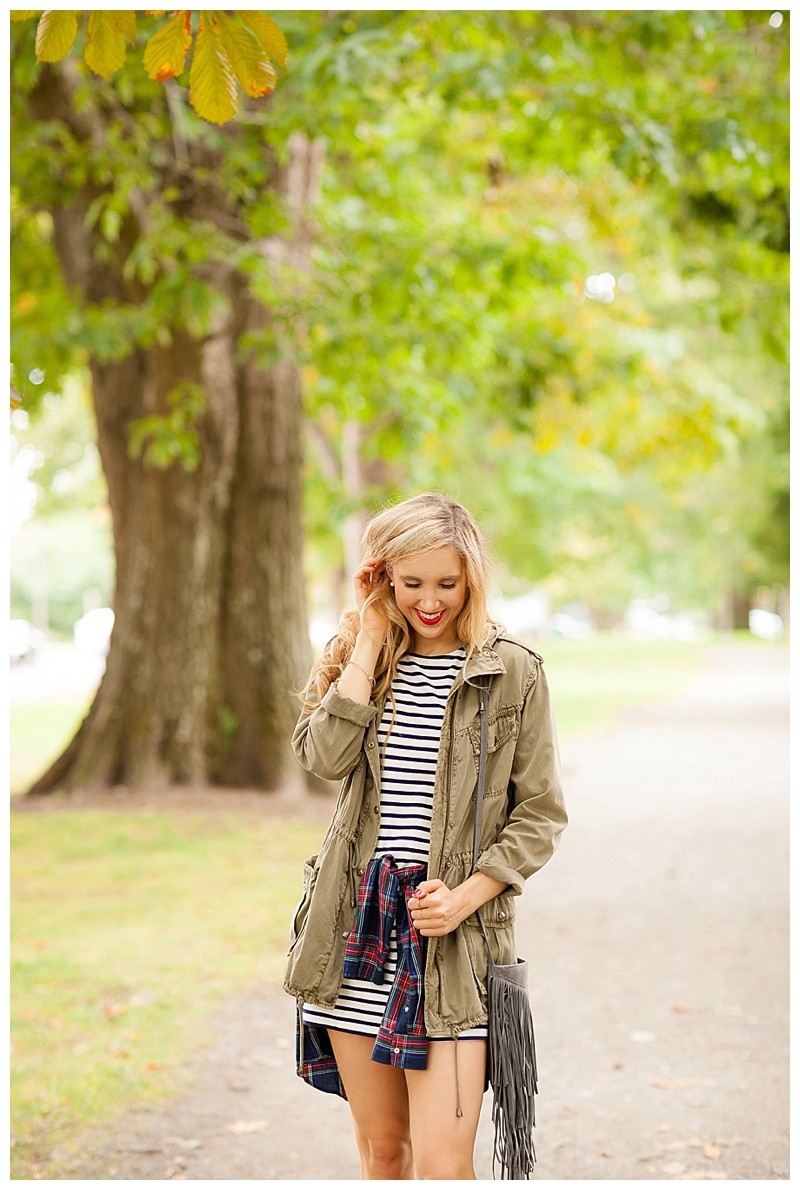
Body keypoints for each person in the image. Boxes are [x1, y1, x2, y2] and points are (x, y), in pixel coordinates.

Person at [284, 491, 567, 1180]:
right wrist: (372, 640)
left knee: (444, 1166)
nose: (431, 600)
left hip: (456, 945)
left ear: (471, 574)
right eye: (411, 584)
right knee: (385, 1152)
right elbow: (322, 759)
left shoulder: (512, 670)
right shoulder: (364, 659)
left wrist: (468, 896)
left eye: (447, 582)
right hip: (359, 931)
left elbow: (540, 813)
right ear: (382, 578)